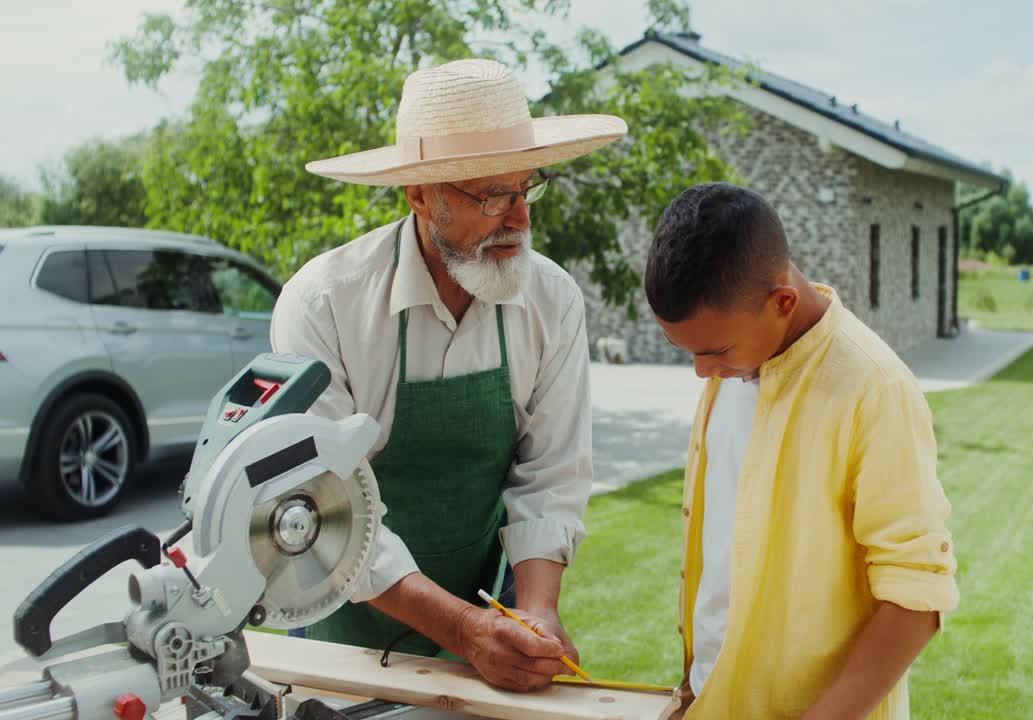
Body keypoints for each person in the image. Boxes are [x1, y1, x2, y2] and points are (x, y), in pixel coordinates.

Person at [270, 58, 626, 692]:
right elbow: (326, 510)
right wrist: (464, 631)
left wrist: (537, 612)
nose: (519, 218)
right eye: (492, 196)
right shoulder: (325, 304)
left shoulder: (553, 301)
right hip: (343, 641)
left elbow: (551, 473)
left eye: (525, 189)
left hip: (487, 617)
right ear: (419, 196)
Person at [644, 183, 959, 719]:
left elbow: (917, 598)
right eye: (690, 353)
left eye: (713, 351)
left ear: (782, 302)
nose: (701, 372)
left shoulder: (875, 389)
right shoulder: (733, 367)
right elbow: (720, 562)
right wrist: (695, 685)